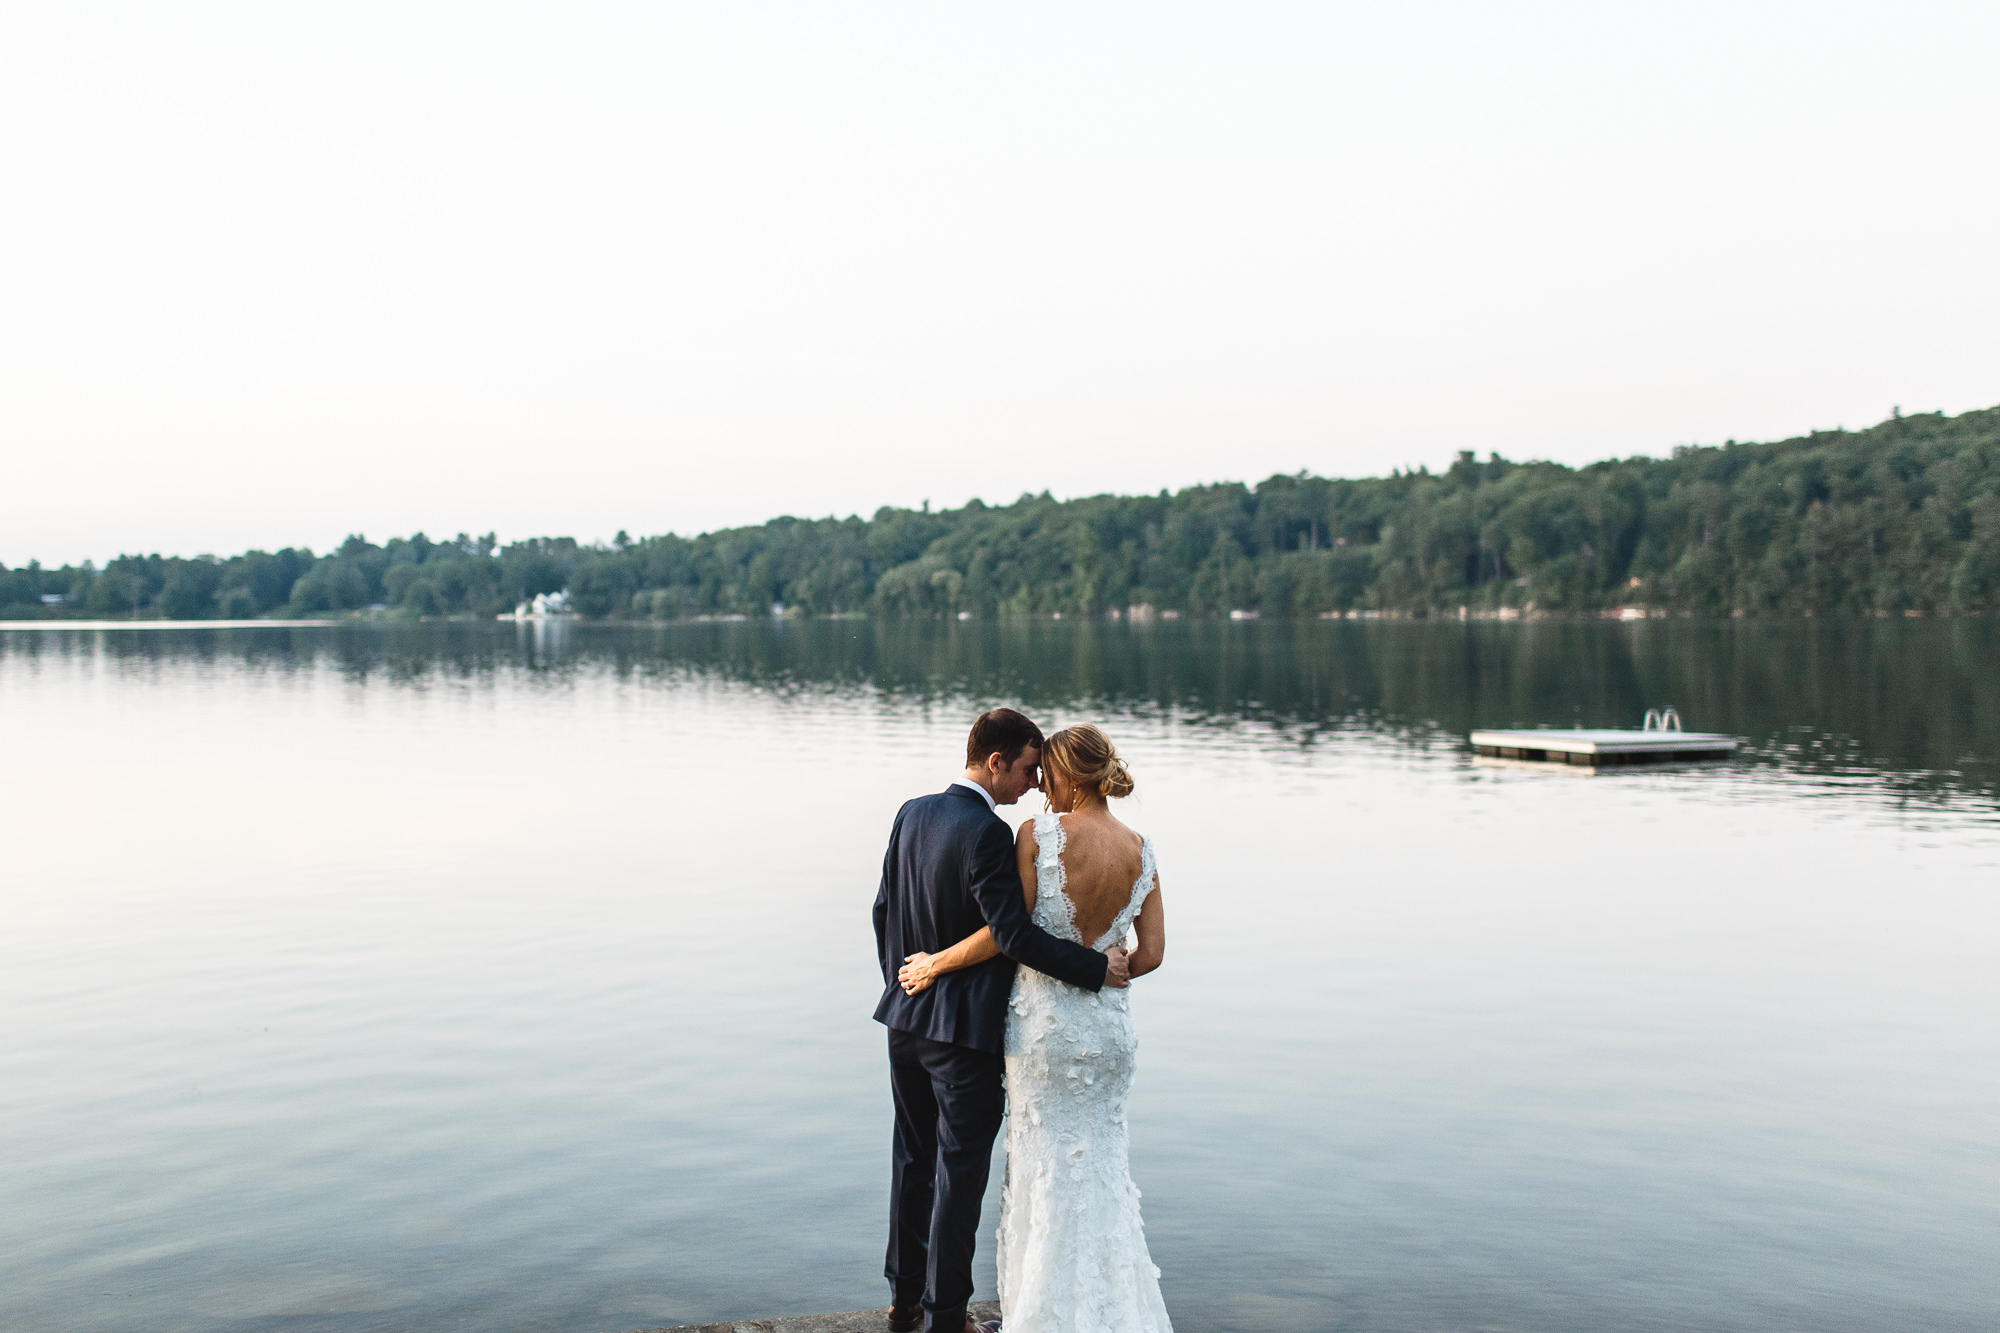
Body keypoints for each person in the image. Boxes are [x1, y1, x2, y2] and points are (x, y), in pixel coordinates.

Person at [898, 722, 1170, 1333]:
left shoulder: (1036, 834)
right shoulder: (1142, 847)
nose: (1039, 786)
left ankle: (1038, 1311)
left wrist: (935, 963)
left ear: (1067, 775)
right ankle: (1111, 1309)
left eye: (1045, 774)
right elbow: (1149, 955)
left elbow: (1008, 933)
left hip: (1045, 1029)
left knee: (1044, 1165)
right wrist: (1106, 959)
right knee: (1101, 1162)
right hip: (1106, 1034)